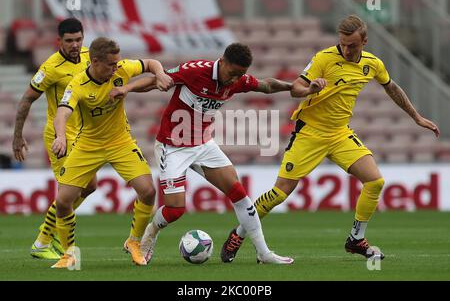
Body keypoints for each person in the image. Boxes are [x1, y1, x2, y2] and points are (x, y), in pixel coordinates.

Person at [221, 15, 440, 262]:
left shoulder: (373, 64)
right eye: (343, 43)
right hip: (310, 132)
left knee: (375, 182)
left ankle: (356, 239)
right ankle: (238, 233)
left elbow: (391, 87)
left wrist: (416, 117)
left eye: (352, 45)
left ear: (364, 42)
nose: (346, 49)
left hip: (339, 133)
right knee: (281, 192)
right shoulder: (324, 58)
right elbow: (296, 88)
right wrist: (311, 89)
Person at [111, 42, 295, 265]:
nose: (235, 79)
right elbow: (155, 80)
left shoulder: (237, 80)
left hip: (203, 145)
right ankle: (150, 233)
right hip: (173, 146)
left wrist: (292, 87)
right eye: (233, 72)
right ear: (223, 61)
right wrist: (126, 89)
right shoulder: (196, 70)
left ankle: (263, 253)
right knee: (175, 209)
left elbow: (266, 85)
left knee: (238, 192)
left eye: (241, 75)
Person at [49, 37, 173, 268]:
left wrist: (161, 73)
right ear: (95, 62)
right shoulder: (77, 84)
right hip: (88, 145)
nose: (116, 68)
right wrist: (60, 136)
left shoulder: (122, 68)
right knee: (63, 201)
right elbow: (62, 113)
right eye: (110, 65)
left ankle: (134, 242)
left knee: (147, 191)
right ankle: (69, 255)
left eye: (117, 63)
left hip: (120, 142)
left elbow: (151, 63)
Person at [12, 18, 97, 259]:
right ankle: (43, 242)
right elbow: (26, 100)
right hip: (59, 135)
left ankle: (48, 236)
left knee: (90, 186)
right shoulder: (51, 67)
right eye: (69, 40)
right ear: (58, 41)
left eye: (78, 39)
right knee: (67, 192)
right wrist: (17, 137)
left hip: (82, 134)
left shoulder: (89, 56)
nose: (74, 44)